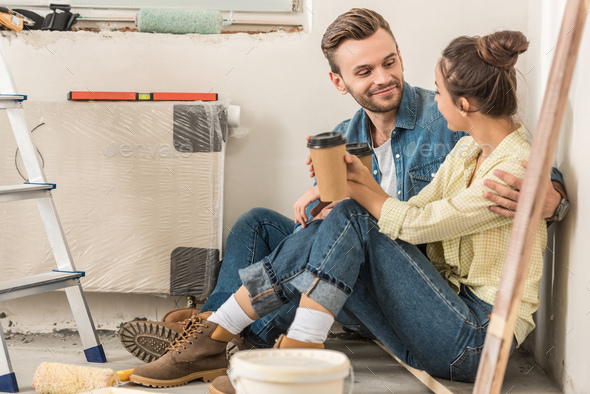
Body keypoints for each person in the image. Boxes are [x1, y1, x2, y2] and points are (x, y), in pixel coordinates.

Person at [120, 8, 568, 362]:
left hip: (423, 283)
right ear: (339, 82)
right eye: (364, 71)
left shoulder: (450, 116)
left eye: (389, 62)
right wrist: (325, 209)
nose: (383, 78)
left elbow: (514, 161)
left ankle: (223, 332)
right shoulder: (345, 136)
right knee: (259, 224)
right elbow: (354, 223)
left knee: (345, 226)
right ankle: (211, 323)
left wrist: (552, 197)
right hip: (369, 268)